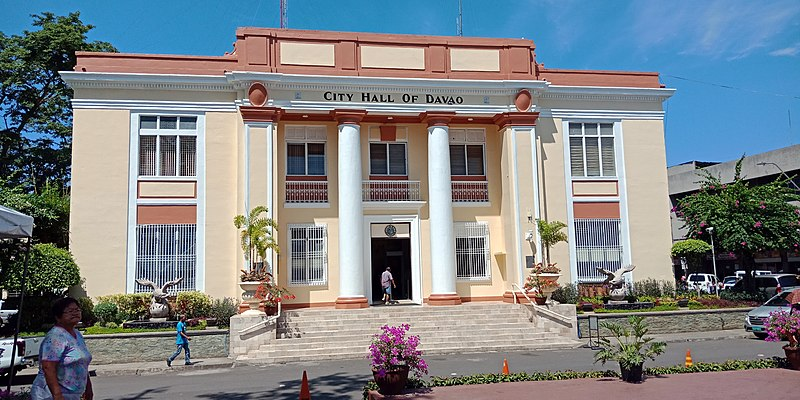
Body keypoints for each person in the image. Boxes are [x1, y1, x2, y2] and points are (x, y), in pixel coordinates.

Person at [30, 297, 93, 400]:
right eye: (70, 311)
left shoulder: (77, 335)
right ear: (58, 317)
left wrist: (88, 388)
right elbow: (48, 367)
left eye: (77, 310)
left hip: (73, 394)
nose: (75, 313)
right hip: (50, 395)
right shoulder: (55, 337)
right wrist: (57, 395)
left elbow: (82, 364)